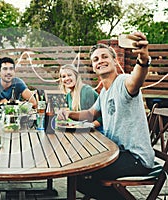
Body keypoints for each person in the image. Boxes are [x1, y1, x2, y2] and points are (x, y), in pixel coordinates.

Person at [57, 32, 154, 199]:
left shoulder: (123, 82)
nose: (100, 61)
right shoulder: (104, 93)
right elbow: (89, 114)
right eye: (95, 59)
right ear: (93, 67)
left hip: (136, 158)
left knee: (79, 175)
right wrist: (69, 113)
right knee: (77, 171)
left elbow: (136, 80)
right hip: (115, 153)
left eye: (104, 57)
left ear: (114, 61)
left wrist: (143, 60)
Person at [58, 64, 102, 131]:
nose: (67, 78)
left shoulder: (87, 91)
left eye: (69, 75)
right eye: (63, 76)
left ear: (76, 76)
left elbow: (103, 115)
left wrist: (90, 126)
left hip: (96, 131)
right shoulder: (68, 96)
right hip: (81, 131)